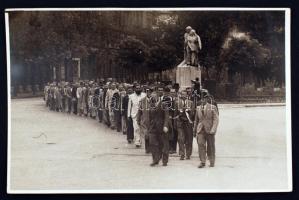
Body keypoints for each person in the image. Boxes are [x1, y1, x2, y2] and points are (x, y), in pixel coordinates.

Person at [193, 94, 219, 168]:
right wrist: (194, 131)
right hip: (200, 130)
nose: (203, 100)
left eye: (204, 99)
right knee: (200, 145)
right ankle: (202, 162)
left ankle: (211, 161)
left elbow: (216, 119)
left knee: (211, 146)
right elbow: (196, 120)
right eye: (202, 99)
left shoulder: (212, 107)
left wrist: (213, 129)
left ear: (207, 99)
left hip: (210, 130)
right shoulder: (198, 108)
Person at [146, 93, 170, 166]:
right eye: (152, 97)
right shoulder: (151, 106)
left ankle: (165, 160)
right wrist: (148, 127)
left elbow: (166, 116)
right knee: (152, 143)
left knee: (164, 144)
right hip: (153, 128)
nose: (153, 99)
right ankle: (155, 159)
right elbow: (149, 117)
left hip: (162, 127)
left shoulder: (163, 104)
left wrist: (165, 126)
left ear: (157, 97)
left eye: (154, 97)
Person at [175, 90, 195, 160]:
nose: (183, 96)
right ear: (180, 95)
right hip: (180, 123)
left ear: (187, 95)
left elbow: (193, 113)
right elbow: (175, 114)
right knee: (180, 138)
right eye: (182, 94)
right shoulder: (177, 103)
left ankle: (188, 154)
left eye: (185, 94)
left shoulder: (191, 103)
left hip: (188, 123)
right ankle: (182, 154)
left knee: (189, 139)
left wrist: (188, 111)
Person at [136, 86, 154, 153]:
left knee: (152, 135)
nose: (149, 93)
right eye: (147, 92)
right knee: (146, 135)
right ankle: (147, 149)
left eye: (150, 92)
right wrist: (138, 120)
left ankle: (152, 148)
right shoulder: (142, 100)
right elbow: (139, 111)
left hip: (153, 121)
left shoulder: (155, 100)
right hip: (145, 121)